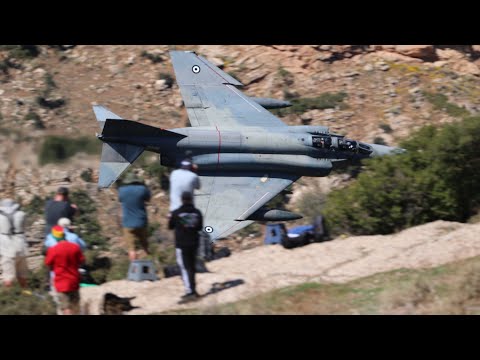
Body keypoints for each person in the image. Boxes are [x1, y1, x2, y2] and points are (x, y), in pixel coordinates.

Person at [169, 191, 203, 302]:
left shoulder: (176, 213)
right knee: (192, 267)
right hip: (194, 243)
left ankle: (191, 292)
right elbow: (199, 228)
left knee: (186, 267)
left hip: (182, 244)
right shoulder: (197, 212)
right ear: (191, 199)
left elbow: (170, 226)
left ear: (182, 200)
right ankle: (193, 290)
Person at [45, 225, 85, 315]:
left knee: (65, 307)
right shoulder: (75, 247)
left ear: (55, 237)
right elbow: (82, 260)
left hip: (61, 282)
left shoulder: (53, 250)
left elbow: (48, 263)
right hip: (74, 280)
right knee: (75, 305)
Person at [118, 173, 151, 261]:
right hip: (141, 221)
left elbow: (120, 200)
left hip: (128, 223)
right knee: (145, 246)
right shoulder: (142, 189)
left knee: (131, 249)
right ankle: (151, 266)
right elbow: (148, 199)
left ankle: (134, 270)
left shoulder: (122, 190)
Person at [0, 199, 29, 288]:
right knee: (22, 275)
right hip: (21, 246)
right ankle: (24, 293)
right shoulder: (22, 214)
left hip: (6, 248)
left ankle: (10, 298)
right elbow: (24, 228)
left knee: (8, 277)